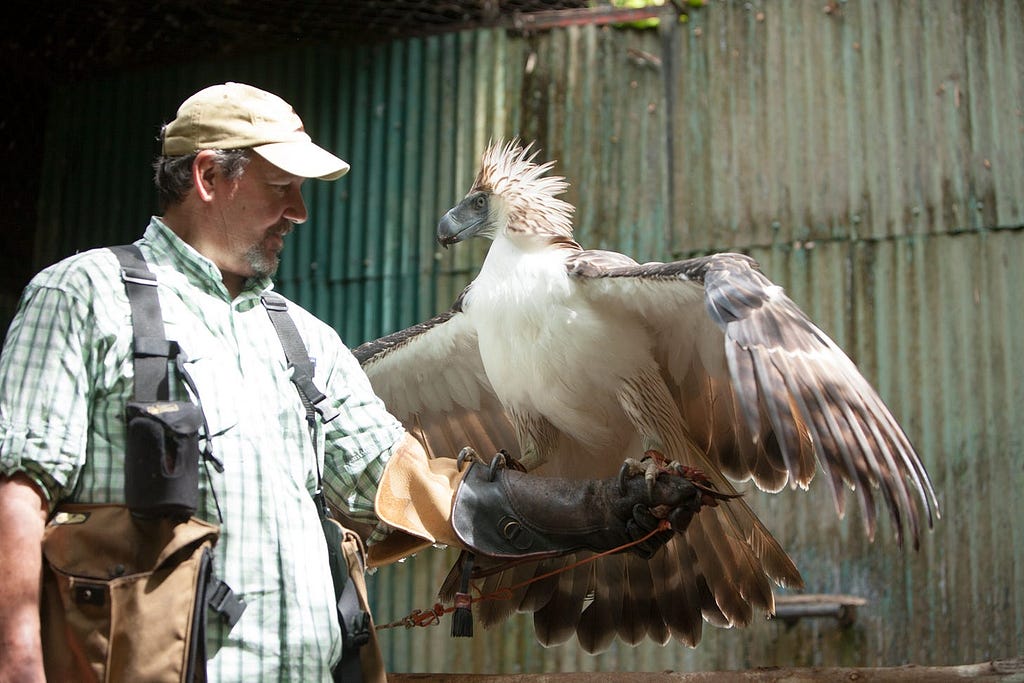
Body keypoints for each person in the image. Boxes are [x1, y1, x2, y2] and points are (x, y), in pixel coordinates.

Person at [0, 82, 701, 682]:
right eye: (282, 188)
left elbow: (405, 487)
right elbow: (18, 488)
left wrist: (590, 511)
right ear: (210, 178)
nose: (300, 212)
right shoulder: (84, 296)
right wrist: (16, 661)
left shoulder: (302, 339)